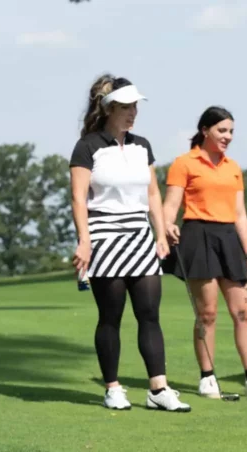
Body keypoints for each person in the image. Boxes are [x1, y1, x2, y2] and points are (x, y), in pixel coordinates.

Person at [69, 74, 190, 413]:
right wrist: (84, 241)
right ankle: (113, 388)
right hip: (104, 237)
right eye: (125, 107)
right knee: (111, 316)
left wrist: (162, 230)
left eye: (135, 106)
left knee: (149, 314)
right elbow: (79, 198)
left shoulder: (142, 145)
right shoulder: (88, 146)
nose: (133, 112)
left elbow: (152, 192)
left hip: (140, 237)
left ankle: (158, 389)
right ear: (109, 109)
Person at [161, 106, 247, 400]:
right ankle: (207, 378)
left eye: (231, 132)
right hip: (197, 235)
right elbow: (170, 204)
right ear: (205, 131)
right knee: (207, 314)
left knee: (244, 312)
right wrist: (167, 225)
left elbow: (240, 214)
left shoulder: (232, 167)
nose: (228, 137)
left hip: (229, 239)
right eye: (222, 130)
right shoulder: (184, 163)